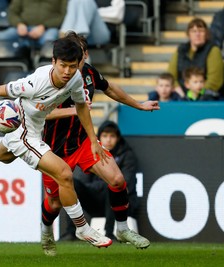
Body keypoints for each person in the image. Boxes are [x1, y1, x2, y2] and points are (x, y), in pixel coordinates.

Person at [0, 37, 114, 252]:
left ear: (78, 64)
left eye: (72, 66)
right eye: (62, 65)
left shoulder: (75, 78)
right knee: (64, 174)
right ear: (53, 61)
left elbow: (82, 106)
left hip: (34, 127)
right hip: (24, 132)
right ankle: (82, 227)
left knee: (1, 154)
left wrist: (93, 140)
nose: (66, 71)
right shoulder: (34, 83)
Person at [39, 32, 158, 256]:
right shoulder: (50, 80)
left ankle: (122, 230)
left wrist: (139, 105)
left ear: (84, 55)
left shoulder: (89, 73)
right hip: (53, 150)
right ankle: (46, 233)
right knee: (54, 203)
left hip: (83, 142)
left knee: (117, 179)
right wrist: (73, 110)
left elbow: (110, 88)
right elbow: (40, 113)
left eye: (79, 57)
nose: (73, 66)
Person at [60, 120, 140, 241]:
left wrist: (104, 184)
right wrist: (103, 184)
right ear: (99, 137)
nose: (108, 139)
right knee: (73, 184)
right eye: (105, 135)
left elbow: (125, 184)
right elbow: (85, 183)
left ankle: (109, 233)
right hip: (96, 202)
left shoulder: (127, 155)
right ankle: (71, 233)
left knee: (113, 186)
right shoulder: (91, 152)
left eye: (112, 136)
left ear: (118, 138)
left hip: (122, 204)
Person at [167, 18, 224, 99]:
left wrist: (197, 95)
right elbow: (171, 76)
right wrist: (182, 94)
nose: (197, 34)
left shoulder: (213, 50)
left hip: (206, 97)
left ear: (206, 34)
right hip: (181, 96)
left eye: (201, 31)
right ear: (188, 34)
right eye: (193, 31)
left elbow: (214, 81)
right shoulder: (180, 50)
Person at [0, 0, 67, 49]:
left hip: (48, 29)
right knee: (1, 37)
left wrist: (44, 26)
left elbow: (64, 16)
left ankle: (47, 67)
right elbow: (12, 12)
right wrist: (19, 24)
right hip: (24, 27)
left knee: (49, 40)